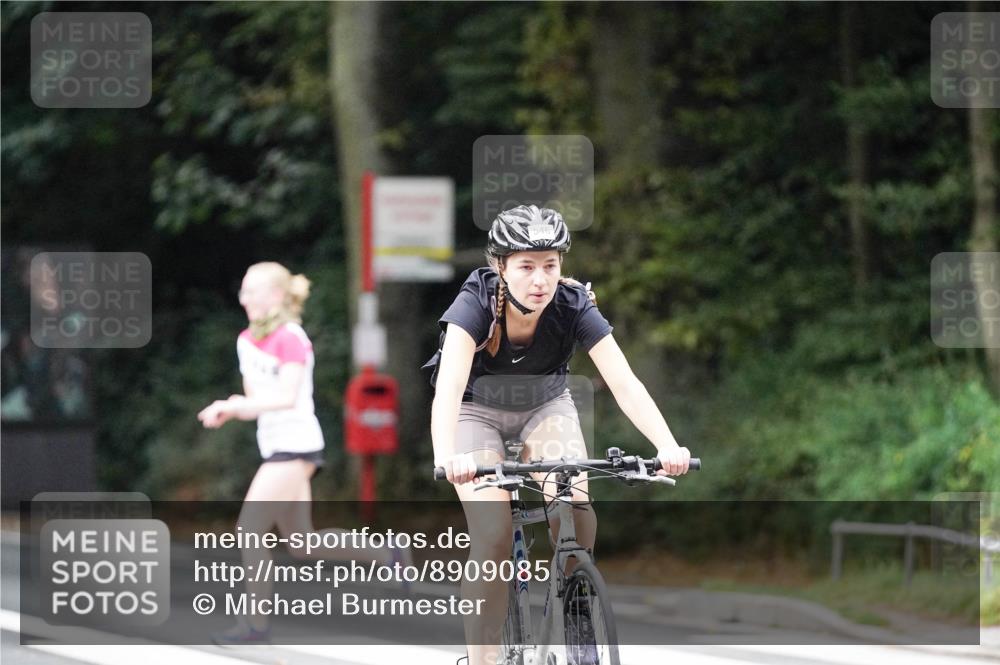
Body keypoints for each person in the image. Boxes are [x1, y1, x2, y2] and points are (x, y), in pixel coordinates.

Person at [424, 205, 691, 665]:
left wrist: (666, 445)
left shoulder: (573, 304)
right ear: (500, 267)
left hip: (545, 408)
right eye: (526, 266)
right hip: (477, 412)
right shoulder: (476, 301)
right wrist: (447, 454)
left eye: (550, 265)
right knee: (492, 533)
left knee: (574, 504)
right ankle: (483, 656)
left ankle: (576, 601)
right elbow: (447, 389)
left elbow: (625, 382)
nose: (540, 280)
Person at [198, 261, 400, 645]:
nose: (244, 299)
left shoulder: (291, 338)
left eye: (251, 291)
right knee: (303, 544)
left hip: (296, 445)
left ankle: (255, 625)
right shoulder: (245, 341)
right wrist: (235, 407)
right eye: (242, 291)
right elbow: (258, 400)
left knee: (249, 529)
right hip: (275, 445)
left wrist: (235, 405)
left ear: (275, 295)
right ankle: (387, 553)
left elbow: (287, 397)